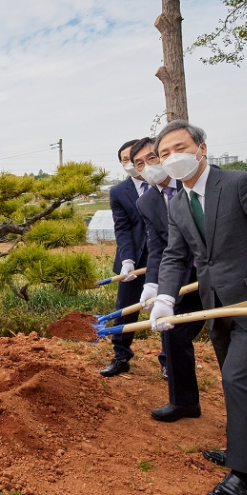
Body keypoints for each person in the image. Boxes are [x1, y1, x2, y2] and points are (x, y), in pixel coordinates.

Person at [152, 119, 247, 495]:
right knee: (241, 381)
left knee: (237, 379)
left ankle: (243, 476)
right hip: (217, 306)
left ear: (201, 148)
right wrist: (165, 298)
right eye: (164, 153)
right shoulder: (178, 204)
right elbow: (174, 256)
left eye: (179, 148)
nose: (172, 158)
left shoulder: (239, 184)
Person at [131, 137, 203, 422]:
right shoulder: (147, 202)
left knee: (232, 346)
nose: (148, 166)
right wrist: (153, 284)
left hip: (218, 274)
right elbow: (159, 249)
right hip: (182, 276)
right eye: (140, 163)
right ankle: (184, 402)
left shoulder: (194, 184)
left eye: (152, 157)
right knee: (172, 334)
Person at [100, 138, 151, 377]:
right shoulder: (119, 192)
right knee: (125, 308)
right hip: (133, 259)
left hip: (168, 259)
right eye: (125, 161)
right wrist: (127, 261)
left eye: (134, 158)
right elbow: (123, 228)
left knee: (171, 308)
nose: (131, 163)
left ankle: (168, 361)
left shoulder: (165, 185)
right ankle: (121, 356)